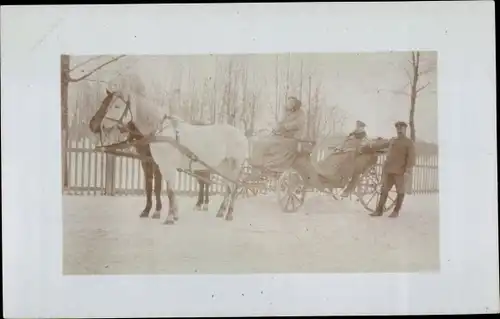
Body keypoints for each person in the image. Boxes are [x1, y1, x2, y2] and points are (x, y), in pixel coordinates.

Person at [370, 121, 416, 218]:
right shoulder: (393, 140)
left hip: (400, 171)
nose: (399, 130)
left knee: (400, 191)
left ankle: (396, 211)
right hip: (389, 170)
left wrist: (407, 171)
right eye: (398, 129)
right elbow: (383, 145)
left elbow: (411, 158)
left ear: (405, 129)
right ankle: (379, 211)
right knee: (384, 190)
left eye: (401, 128)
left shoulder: (408, 142)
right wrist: (371, 146)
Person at [250, 96, 306, 171]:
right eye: (288, 102)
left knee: (271, 144)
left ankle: (268, 166)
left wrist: (285, 127)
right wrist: (276, 128)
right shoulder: (288, 113)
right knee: (262, 141)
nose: (288, 104)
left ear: (295, 104)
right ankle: (257, 164)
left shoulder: (300, 113)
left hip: (293, 138)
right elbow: (282, 123)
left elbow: (298, 124)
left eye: (291, 102)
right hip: (283, 136)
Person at [340, 120, 370, 197]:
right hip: (348, 155)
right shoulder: (352, 135)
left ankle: (349, 190)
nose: (358, 128)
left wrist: (358, 150)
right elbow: (344, 143)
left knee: (356, 171)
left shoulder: (364, 136)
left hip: (359, 156)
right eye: (357, 126)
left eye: (360, 127)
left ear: (362, 128)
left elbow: (364, 146)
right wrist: (341, 148)